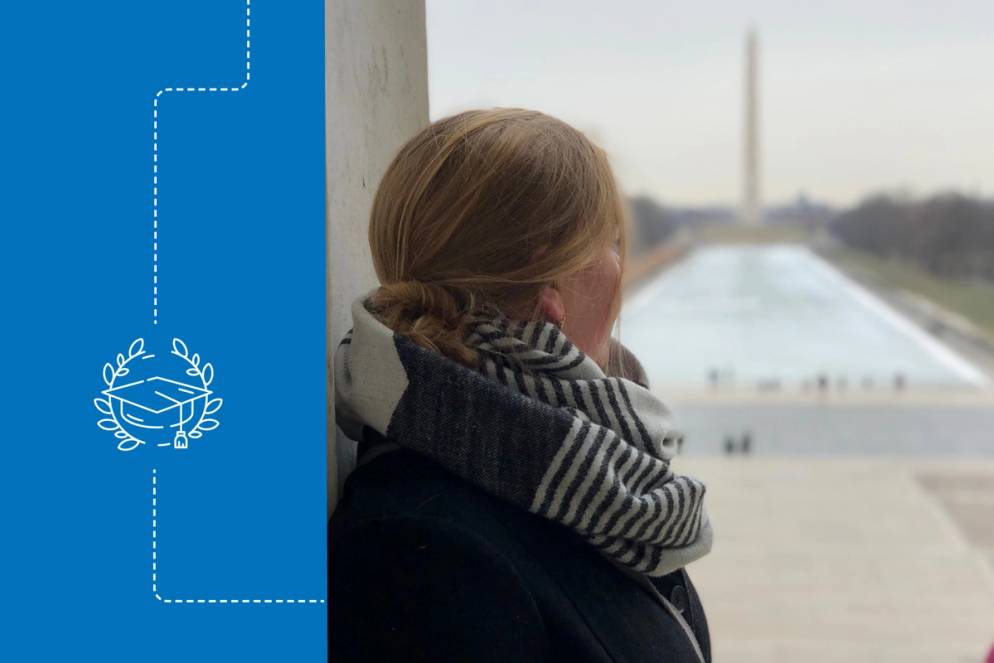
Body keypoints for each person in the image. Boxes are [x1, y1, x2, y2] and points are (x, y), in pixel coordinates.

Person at [330, 108, 713, 662]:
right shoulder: (422, 559)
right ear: (549, 284)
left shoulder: (589, 474)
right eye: (608, 243)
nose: (621, 269)